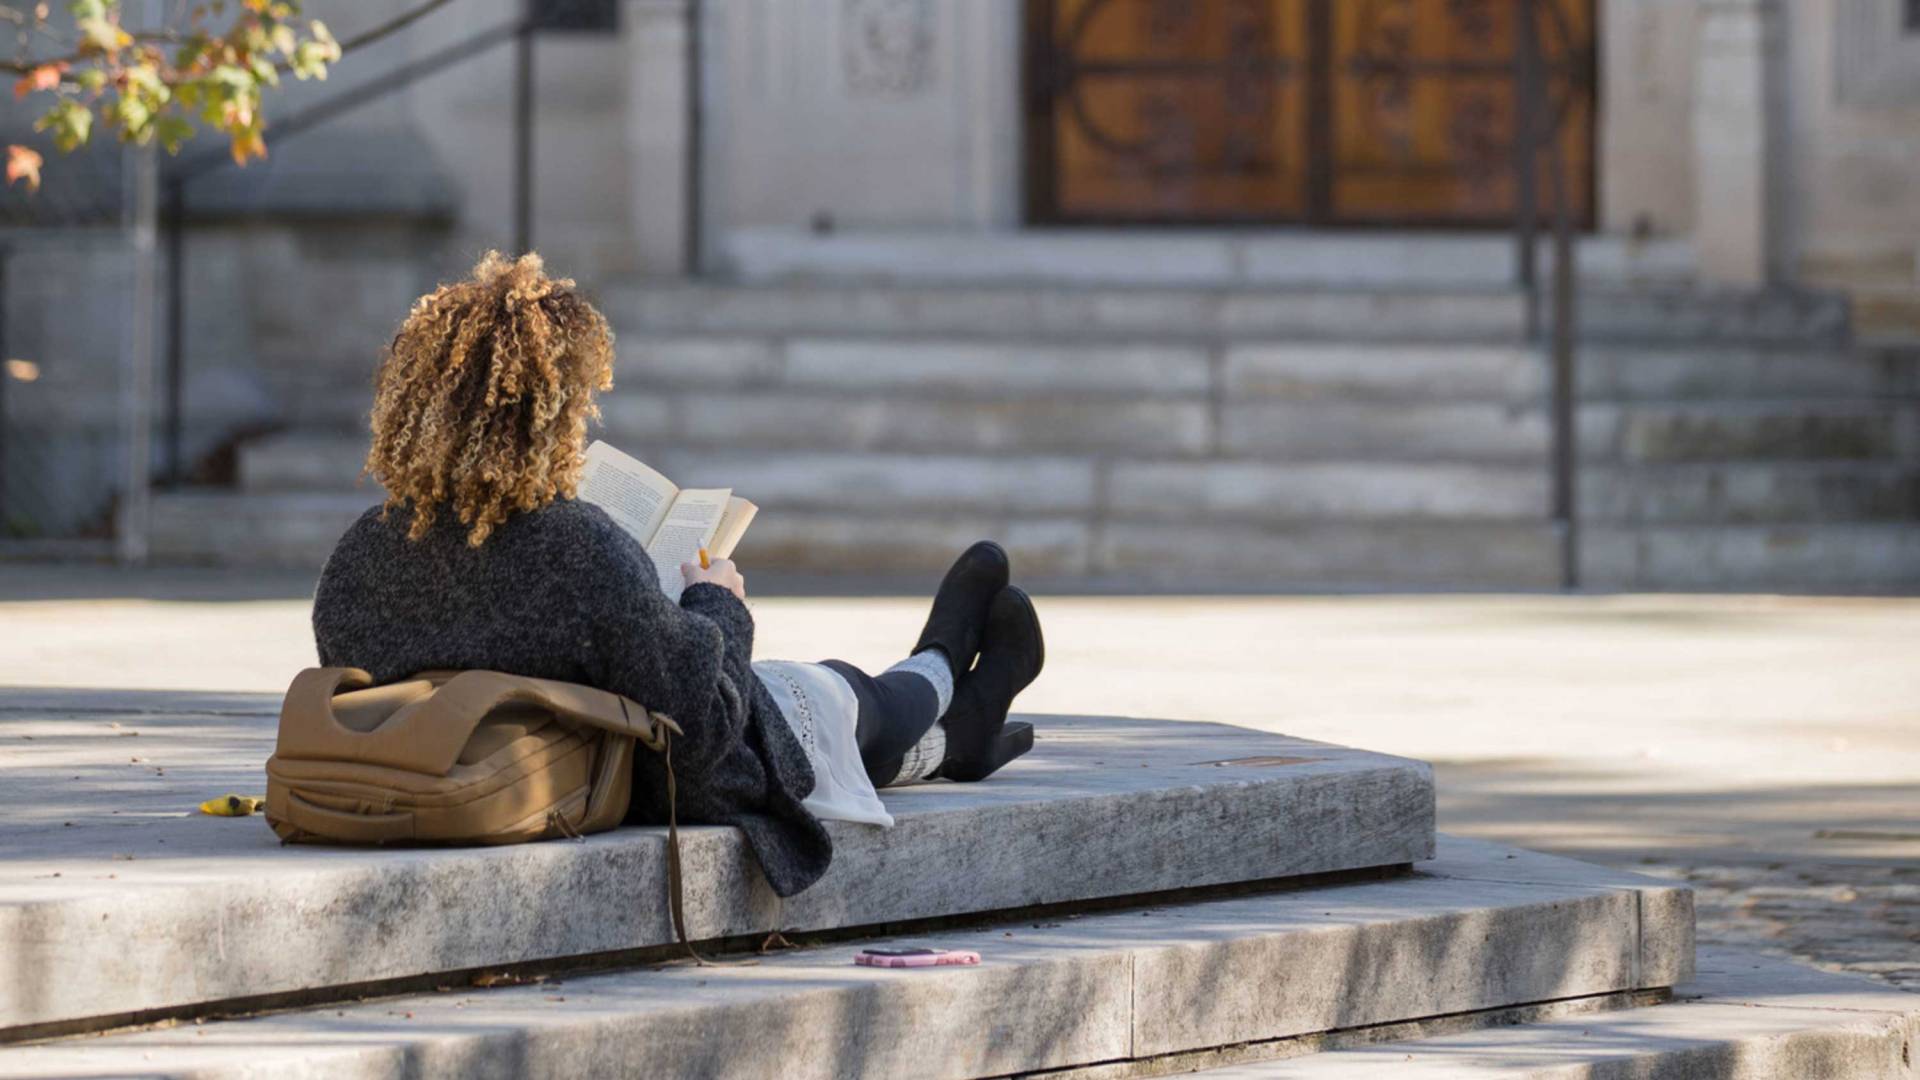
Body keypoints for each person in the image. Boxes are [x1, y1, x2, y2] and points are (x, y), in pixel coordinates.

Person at [310, 252, 1044, 899]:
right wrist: (716, 602)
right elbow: (706, 730)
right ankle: (943, 664)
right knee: (846, 695)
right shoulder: (579, 548)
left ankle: (960, 736)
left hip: (469, 772)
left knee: (818, 706)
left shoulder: (357, 557)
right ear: (552, 415)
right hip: (636, 785)